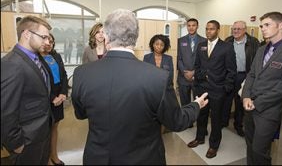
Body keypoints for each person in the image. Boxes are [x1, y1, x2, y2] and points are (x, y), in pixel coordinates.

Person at [71, 9, 209, 165]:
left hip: (99, 158)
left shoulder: (82, 74)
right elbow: (176, 121)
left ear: (107, 37)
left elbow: (81, 114)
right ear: (135, 40)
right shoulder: (158, 77)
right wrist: (196, 105)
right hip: (145, 158)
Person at [1, 15, 52, 165]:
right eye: (43, 37)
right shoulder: (12, 64)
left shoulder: (36, 58)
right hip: (26, 142)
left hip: (41, 134)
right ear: (27, 34)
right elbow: (5, 111)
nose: (47, 42)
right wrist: (17, 144)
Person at [242, 11, 282, 165]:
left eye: (267, 25)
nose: (263, 28)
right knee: (249, 144)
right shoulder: (262, 49)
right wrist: (246, 96)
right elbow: (251, 75)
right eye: (261, 25)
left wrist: (258, 102)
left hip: (269, 109)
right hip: (249, 105)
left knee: (259, 150)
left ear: (281, 25)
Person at [189, 20, 236, 159]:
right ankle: (200, 138)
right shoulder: (201, 45)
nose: (208, 31)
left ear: (218, 30)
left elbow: (231, 70)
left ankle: (214, 145)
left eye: (212, 29)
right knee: (201, 115)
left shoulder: (226, 47)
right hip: (202, 87)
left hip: (218, 89)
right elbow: (197, 64)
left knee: (216, 119)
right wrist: (198, 78)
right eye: (207, 29)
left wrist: (225, 88)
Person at [222, 21, 260, 136]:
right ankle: (223, 122)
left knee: (240, 102)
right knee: (226, 100)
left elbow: (257, 61)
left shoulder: (253, 42)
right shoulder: (228, 41)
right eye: (234, 29)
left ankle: (238, 125)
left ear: (245, 30)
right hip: (229, 75)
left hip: (245, 76)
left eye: (239, 29)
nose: (236, 31)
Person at [40, 33, 68, 165]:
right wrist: (52, 98)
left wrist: (63, 93)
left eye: (52, 41)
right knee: (44, 131)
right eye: (47, 41)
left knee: (55, 127)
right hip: (46, 98)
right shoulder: (36, 58)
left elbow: (63, 74)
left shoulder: (56, 56)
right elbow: (39, 82)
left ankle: (54, 155)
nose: (49, 44)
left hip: (59, 96)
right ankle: (46, 160)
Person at [177, 18, 206, 109]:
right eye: (189, 25)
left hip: (198, 78)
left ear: (197, 26)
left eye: (193, 25)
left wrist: (194, 72)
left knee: (198, 103)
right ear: (186, 26)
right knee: (184, 104)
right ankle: (187, 123)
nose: (191, 28)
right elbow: (178, 58)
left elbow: (205, 60)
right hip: (183, 77)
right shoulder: (180, 40)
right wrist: (184, 72)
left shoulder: (204, 41)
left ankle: (198, 120)